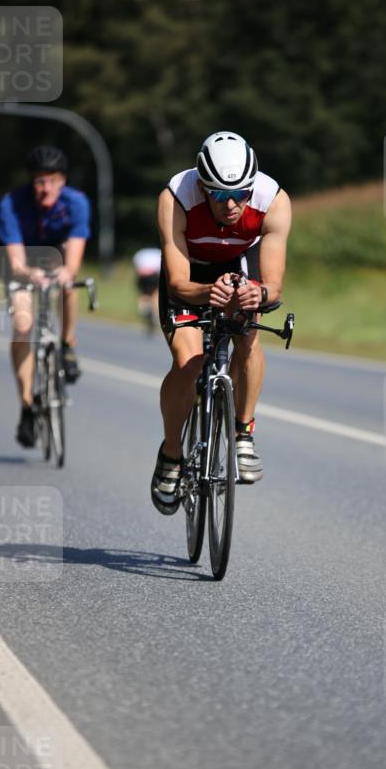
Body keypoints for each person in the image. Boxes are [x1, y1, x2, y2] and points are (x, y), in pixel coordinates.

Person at [151, 131, 292, 514]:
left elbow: (274, 286)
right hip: (189, 274)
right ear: (202, 186)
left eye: (240, 194)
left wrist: (258, 295)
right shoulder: (176, 197)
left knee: (249, 334)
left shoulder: (272, 200)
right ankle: (171, 453)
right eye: (218, 195)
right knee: (189, 361)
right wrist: (205, 292)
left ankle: (243, 431)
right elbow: (178, 283)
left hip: (238, 265)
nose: (231, 204)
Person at [0, 145, 91, 448]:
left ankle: (67, 344)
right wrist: (28, 274)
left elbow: (74, 257)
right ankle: (26, 404)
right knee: (23, 326)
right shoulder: (12, 204)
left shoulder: (76, 203)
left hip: (56, 257)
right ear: (31, 182)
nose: (45, 187)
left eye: (51, 180)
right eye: (39, 181)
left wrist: (66, 272)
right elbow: (15, 262)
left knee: (68, 281)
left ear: (62, 180)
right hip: (24, 263)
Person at [132, 246, 162, 335]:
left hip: (143, 275)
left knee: (144, 293)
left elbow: (137, 268)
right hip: (153, 275)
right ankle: (154, 312)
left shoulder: (140, 253)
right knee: (155, 293)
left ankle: (143, 308)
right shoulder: (159, 252)